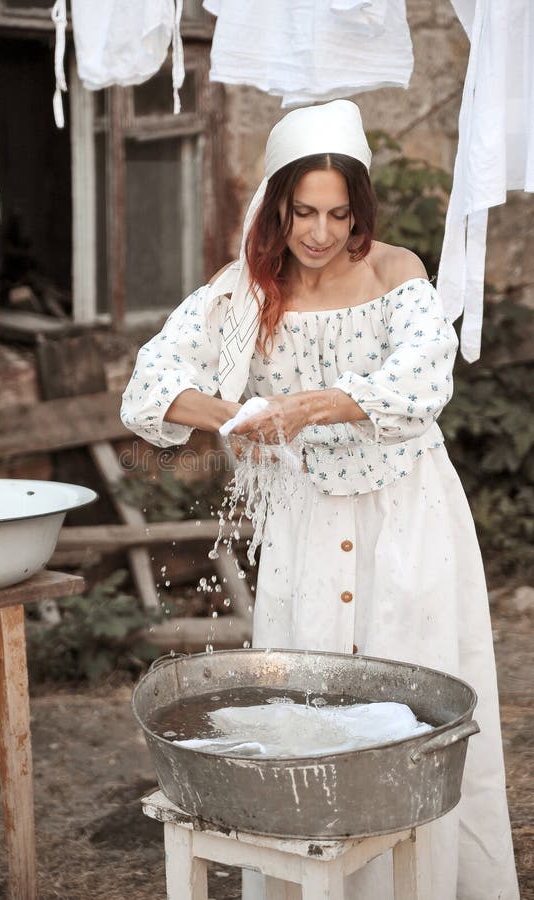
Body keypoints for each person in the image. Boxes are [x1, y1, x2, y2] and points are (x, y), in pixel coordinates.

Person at [121, 100, 519, 899]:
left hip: (405, 515)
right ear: (276, 207)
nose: (320, 232)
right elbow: (149, 388)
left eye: (338, 213)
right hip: (304, 521)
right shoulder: (242, 295)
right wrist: (232, 415)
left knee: (411, 698)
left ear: (358, 211)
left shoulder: (395, 271)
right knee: (309, 703)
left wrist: (314, 405)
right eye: (304, 211)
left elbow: (422, 382)